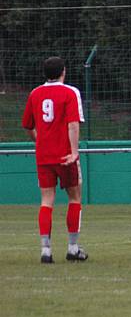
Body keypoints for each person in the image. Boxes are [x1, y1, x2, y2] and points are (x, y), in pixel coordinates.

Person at [22, 56, 87, 263]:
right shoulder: (70, 92)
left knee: (46, 200)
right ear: (63, 72)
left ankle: (45, 251)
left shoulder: (35, 93)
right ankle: (73, 248)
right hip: (65, 155)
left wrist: (39, 141)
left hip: (44, 155)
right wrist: (74, 151)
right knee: (74, 197)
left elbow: (27, 125)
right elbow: (73, 124)